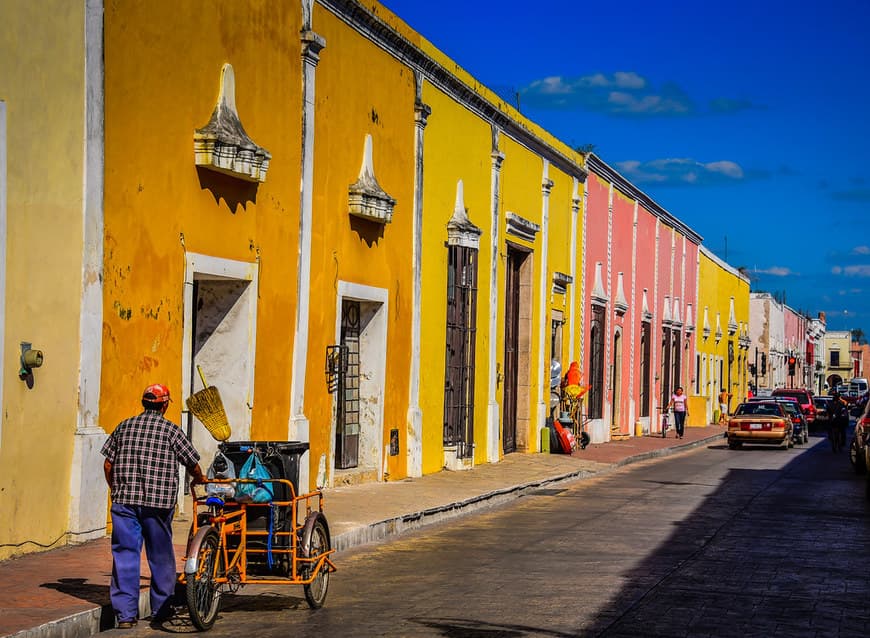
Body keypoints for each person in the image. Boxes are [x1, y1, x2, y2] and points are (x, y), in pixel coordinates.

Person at [101, 384, 205, 628]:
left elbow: (108, 464)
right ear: (165, 405)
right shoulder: (171, 431)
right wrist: (199, 477)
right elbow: (192, 462)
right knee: (160, 556)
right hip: (158, 505)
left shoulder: (124, 427)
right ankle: (161, 610)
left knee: (125, 556)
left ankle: (126, 616)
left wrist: (115, 488)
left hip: (124, 502)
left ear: (144, 403)